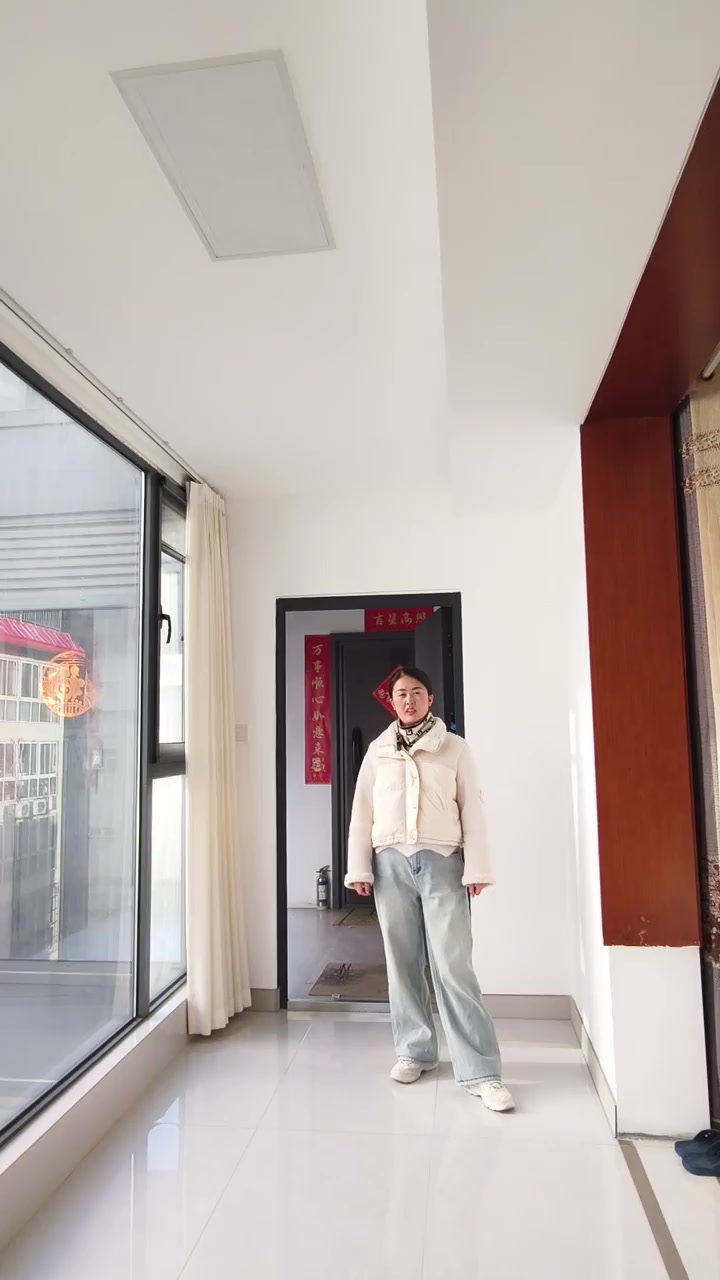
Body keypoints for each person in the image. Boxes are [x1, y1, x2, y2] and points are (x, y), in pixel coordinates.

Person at [345, 667, 514, 1112]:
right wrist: (358, 867)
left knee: (453, 964)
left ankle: (482, 1072)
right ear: (391, 701)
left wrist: (477, 868)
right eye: (401, 693)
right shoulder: (378, 751)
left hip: (442, 862)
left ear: (430, 699)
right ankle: (414, 1051)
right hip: (389, 864)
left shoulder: (454, 748)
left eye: (416, 692)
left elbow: (472, 810)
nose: (408, 700)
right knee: (402, 963)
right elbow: (362, 812)